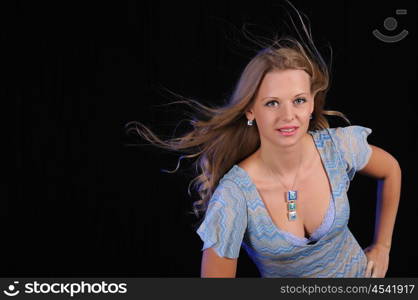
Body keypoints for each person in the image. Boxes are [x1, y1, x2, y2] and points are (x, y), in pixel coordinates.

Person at [126, 11, 401, 279]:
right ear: (250, 111)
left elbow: (391, 170)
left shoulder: (337, 148)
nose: (288, 116)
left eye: (299, 100)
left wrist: (383, 247)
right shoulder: (235, 197)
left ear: (311, 105)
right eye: (272, 103)